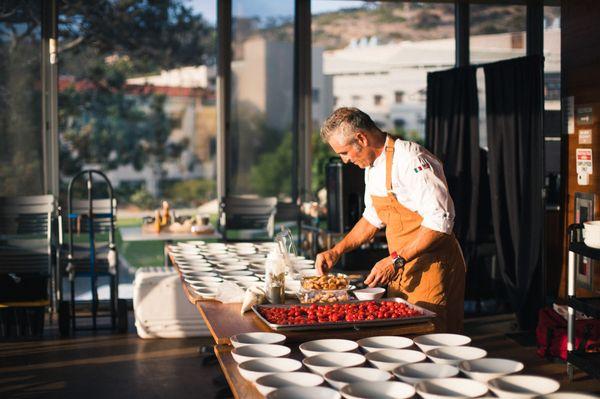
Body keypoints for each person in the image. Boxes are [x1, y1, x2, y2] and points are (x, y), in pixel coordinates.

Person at [315, 107, 466, 333]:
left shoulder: (411, 158)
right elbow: (371, 218)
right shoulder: (372, 167)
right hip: (402, 268)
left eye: (344, 153)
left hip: (433, 267)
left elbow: (441, 221)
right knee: (404, 338)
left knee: (431, 340)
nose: (344, 161)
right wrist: (337, 251)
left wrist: (395, 260)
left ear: (361, 138)